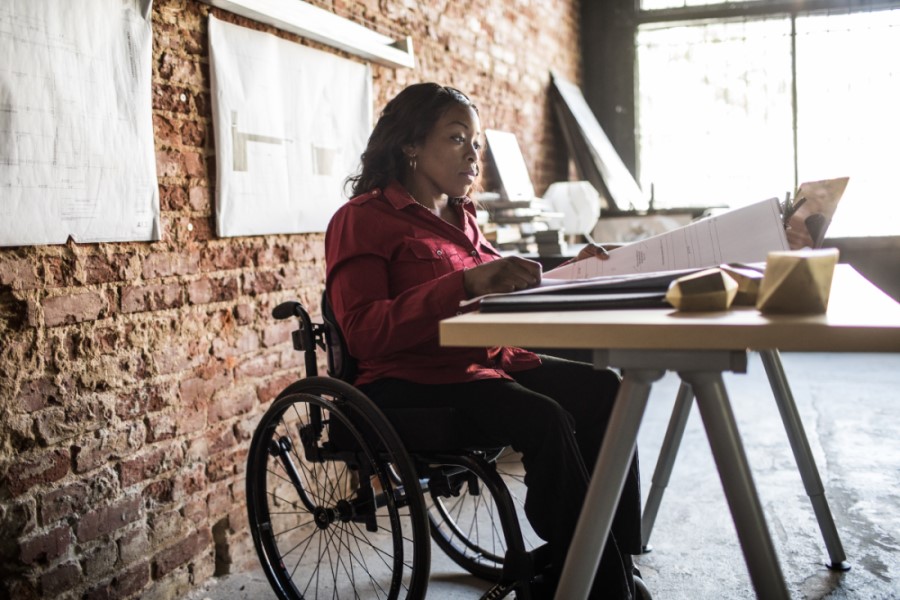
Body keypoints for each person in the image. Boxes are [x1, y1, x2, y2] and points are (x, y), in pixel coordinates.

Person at [325, 82, 643, 599]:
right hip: (411, 381)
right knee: (545, 417)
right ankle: (596, 578)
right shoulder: (362, 220)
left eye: (475, 142)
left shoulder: (462, 217)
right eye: (456, 139)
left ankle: (614, 559)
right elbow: (364, 331)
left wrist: (575, 269)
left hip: (487, 365)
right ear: (410, 145)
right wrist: (463, 284)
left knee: (607, 391)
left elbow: (511, 281)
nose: (473, 154)